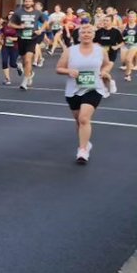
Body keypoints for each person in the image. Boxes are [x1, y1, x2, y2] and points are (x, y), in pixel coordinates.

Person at [56, 21, 111, 164]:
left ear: (94, 35)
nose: (86, 35)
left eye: (89, 32)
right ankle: (86, 142)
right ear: (79, 36)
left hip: (94, 88)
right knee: (78, 120)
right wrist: (69, 71)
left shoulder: (100, 50)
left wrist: (104, 72)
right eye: (83, 33)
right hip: (73, 89)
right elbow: (59, 68)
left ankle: (82, 150)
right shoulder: (70, 51)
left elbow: (108, 63)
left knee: (84, 119)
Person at [11, 0, 40, 89]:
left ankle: (24, 81)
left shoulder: (37, 12)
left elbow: (45, 23)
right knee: (24, 61)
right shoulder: (18, 12)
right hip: (21, 38)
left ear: (33, 3)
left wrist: (41, 30)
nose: (27, 3)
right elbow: (10, 24)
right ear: (24, 2)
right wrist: (20, 27)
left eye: (29, 1)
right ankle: (30, 73)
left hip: (32, 38)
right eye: (26, 1)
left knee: (28, 60)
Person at [94, 13, 123, 96]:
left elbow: (122, 43)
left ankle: (111, 82)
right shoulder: (99, 31)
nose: (105, 22)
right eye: (104, 20)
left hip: (111, 55)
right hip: (100, 55)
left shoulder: (115, 31)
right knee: (100, 74)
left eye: (107, 20)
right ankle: (105, 89)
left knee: (103, 72)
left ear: (111, 22)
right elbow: (94, 42)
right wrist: (97, 45)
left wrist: (116, 47)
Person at [121, 10, 137, 82]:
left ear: (135, 18)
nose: (131, 18)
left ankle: (128, 75)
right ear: (128, 18)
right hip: (125, 45)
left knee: (128, 59)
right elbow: (121, 36)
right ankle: (131, 65)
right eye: (130, 17)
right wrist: (123, 38)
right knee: (124, 60)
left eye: (133, 17)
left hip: (134, 45)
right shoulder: (124, 25)